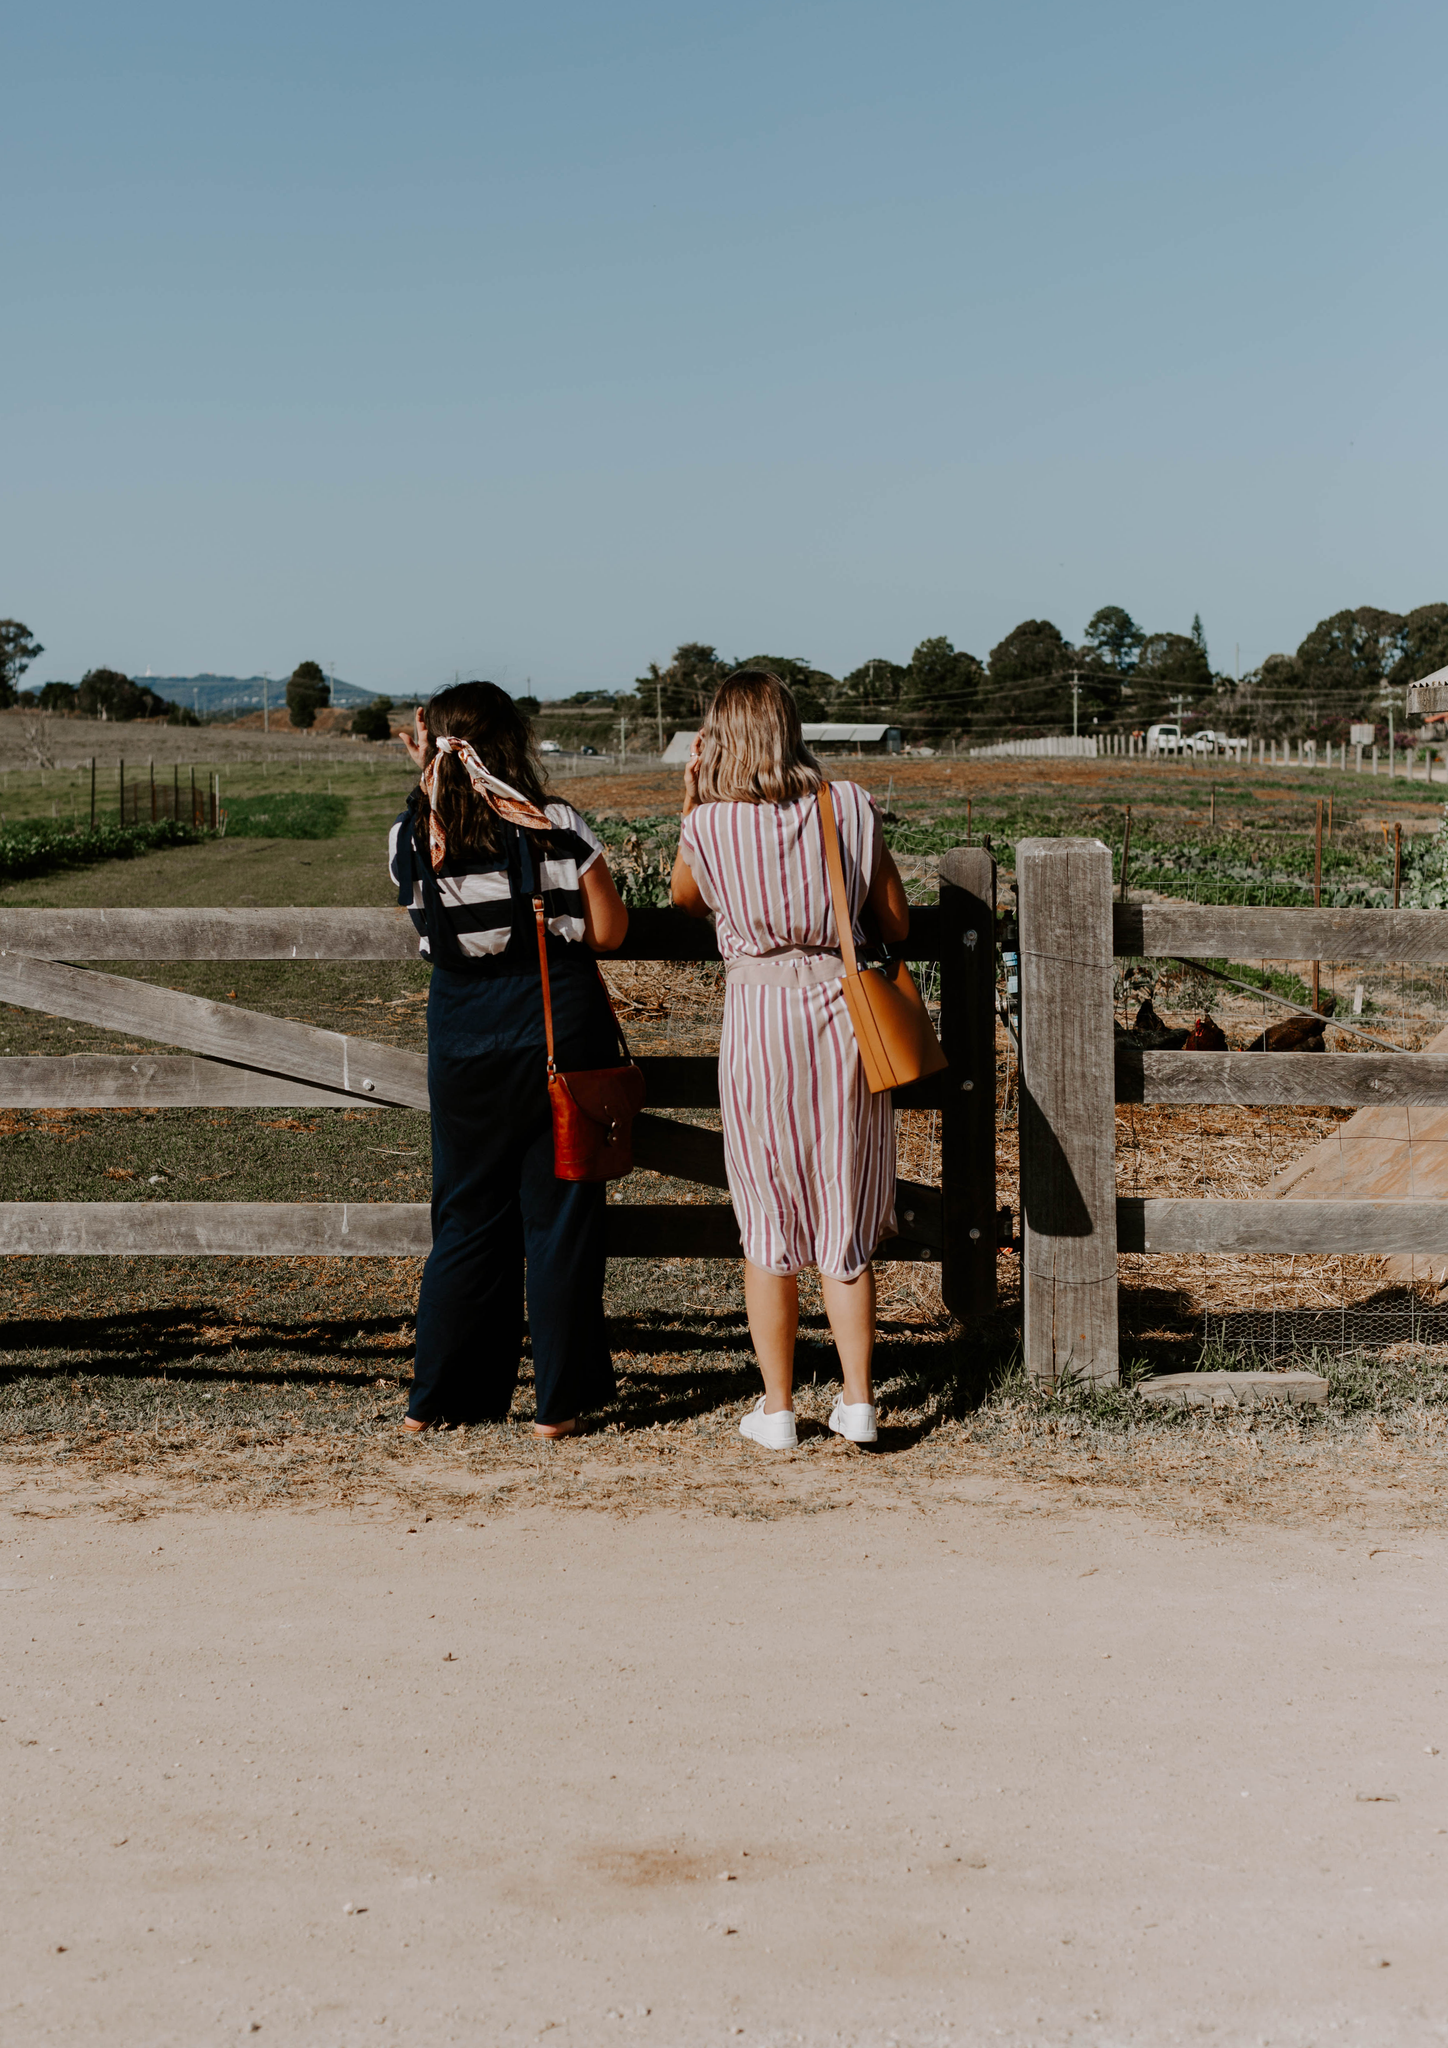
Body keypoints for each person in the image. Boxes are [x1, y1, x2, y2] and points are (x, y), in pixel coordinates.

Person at [671, 670, 910, 1450]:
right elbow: (896, 919)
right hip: (841, 1017)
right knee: (842, 1200)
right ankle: (859, 1401)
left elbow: (683, 901)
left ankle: (776, 1409)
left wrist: (692, 798)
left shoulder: (707, 826)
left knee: (767, 1212)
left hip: (758, 1020)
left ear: (718, 740)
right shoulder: (848, 805)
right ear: (791, 729)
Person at [389, 682, 629, 1438]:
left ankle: (443, 1397)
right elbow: (611, 931)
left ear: (435, 745)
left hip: (462, 1038)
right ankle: (561, 1402)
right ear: (513, 741)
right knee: (557, 1221)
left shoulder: (410, 833)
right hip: (557, 1032)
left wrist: (426, 767)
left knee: (465, 1218)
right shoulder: (552, 824)